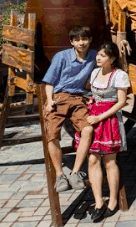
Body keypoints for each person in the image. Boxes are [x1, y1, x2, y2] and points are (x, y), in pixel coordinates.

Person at [42, 26, 96, 194]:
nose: (82, 43)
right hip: (59, 96)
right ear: (72, 42)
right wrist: (49, 100)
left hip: (78, 98)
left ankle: (75, 173)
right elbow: (49, 81)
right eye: (78, 40)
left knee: (87, 129)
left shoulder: (94, 56)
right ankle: (60, 175)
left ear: (90, 40)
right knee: (51, 133)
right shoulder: (61, 57)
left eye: (85, 39)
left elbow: (110, 60)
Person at [81, 42, 130, 222]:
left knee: (110, 162)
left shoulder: (120, 75)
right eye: (98, 55)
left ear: (112, 58)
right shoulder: (94, 73)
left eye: (103, 56)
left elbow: (121, 102)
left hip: (109, 120)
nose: (98, 58)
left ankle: (113, 201)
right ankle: (99, 201)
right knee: (93, 159)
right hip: (94, 118)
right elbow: (91, 93)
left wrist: (100, 117)